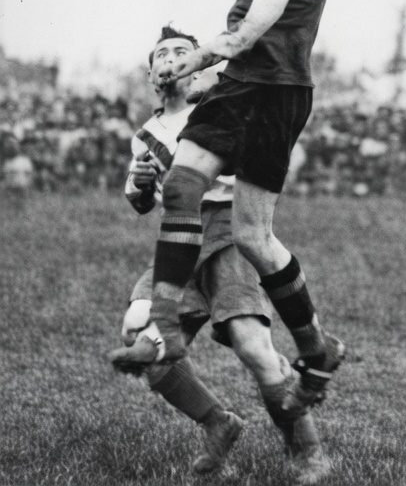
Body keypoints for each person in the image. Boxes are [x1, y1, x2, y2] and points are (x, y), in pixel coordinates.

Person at [109, 0, 342, 418]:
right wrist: (222, 69)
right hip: (266, 88)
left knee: (237, 224)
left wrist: (204, 56)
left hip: (263, 89)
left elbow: (256, 22)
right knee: (244, 230)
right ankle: (318, 347)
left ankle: (168, 326)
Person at [108, 27, 332, 483]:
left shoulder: (221, 107)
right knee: (139, 334)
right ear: (153, 75)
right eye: (162, 55)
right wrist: (141, 182)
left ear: (197, 67)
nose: (171, 59)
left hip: (230, 231)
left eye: (182, 53)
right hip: (181, 240)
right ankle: (218, 422)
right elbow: (141, 203)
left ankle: (307, 449)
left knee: (253, 347)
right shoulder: (146, 136)